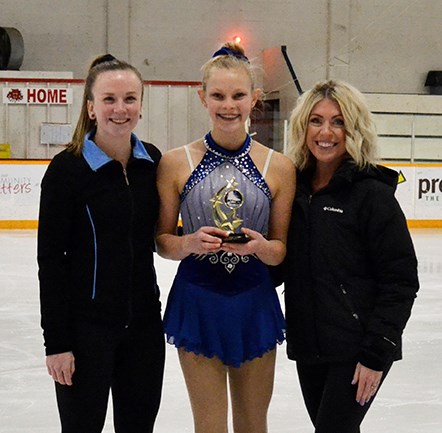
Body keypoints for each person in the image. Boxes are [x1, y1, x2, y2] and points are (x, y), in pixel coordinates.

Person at [155, 42, 296, 433]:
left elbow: (280, 250)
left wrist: (263, 248)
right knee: (209, 425)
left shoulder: (279, 166)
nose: (228, 105)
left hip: (254, 303)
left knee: (253, 424)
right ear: (203, 97)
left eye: (237, 95)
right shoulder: (175, 163)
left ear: (255, 99)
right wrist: (188, 243)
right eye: (218, 95)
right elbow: (162, 240)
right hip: (198, 302)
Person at [37, 54, 165, 433]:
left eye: (129, 98)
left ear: (141, 105)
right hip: (84, 332)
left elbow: (158, 237)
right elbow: (51, 261)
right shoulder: (67, 171)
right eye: (109, 99)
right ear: (91, 107)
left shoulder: (152, 163)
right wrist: (57, 342)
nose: (120, 109)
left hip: (143, 329)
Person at [284, 79, 419, 433]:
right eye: (316, 120)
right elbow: (283, 265)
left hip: (358, 348)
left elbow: (401, 281)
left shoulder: (373, 195)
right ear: (302, 127)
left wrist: (378, 353)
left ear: (354, 129)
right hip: (310, 343)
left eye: (338, 121)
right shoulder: (293, 189)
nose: (325, 132)